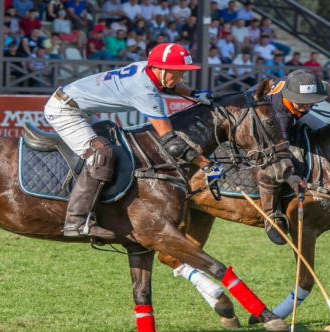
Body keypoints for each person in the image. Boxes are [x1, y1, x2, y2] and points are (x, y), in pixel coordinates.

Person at [43, 43, 216, 239]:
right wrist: (206, 165)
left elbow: (170, 85)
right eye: (178, 72)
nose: (182, 77)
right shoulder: (144, 91)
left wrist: (194, 94)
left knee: (116, 147)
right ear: (159, 68)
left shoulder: (147, 68)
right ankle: (76, 221)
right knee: (102, 154)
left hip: (77, 107)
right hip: (64, 110)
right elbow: (172, 143)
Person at [247, 69, 330, 244]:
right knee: (275, 163)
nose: (307, 106)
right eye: (302, 103)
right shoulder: (280, 115)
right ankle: (272, 214)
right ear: (291, 96)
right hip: (254, 117)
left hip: (288, 111)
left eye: (310, 102)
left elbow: (326, 86)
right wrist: (291, 175)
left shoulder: (303, 85)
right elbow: (281, 153)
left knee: (324, 131)